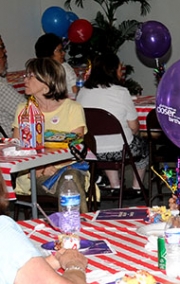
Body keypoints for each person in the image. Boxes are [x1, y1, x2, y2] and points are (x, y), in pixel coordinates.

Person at [13, 58, 89, 206]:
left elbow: (77, 150)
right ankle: (77, 222)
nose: (25, 79)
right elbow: (17, 147)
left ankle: (73, 224)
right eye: (26, 75)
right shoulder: (24, 110)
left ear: (46, 84)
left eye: (30, 76)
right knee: (70, 184)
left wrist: (50, 165)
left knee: (70, 178)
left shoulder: (72, 109)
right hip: (32, 173)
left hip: (67, 168)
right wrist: (40, 167)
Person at [76, 52, 148, 197]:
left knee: (104, 140)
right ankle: (137, 187)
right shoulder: (121, 92)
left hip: (93, 150)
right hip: (121, 150)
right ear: (113, 70)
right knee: (143, 147)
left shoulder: (83, 92)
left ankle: (115, 185)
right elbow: (134, 127)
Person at [34, 32, 76, 97]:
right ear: (48, 53)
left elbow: (75, 89)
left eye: (63, 50)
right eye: (59, 50)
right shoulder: (40, 71)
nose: (63, 53)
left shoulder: (64, 67)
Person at [0, 33, 21, 132]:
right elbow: (33, 115)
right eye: (2, 47)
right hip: (11, 143)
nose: (5, 51)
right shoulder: (2, 88)